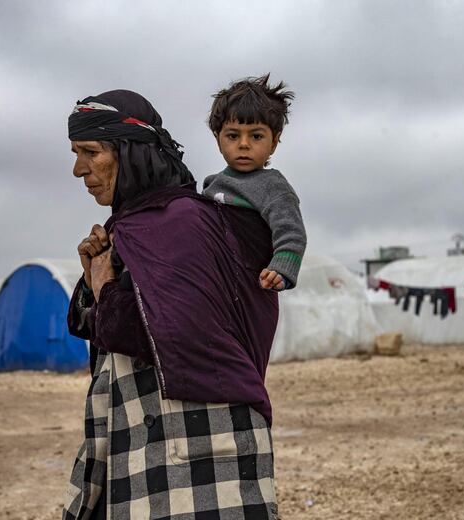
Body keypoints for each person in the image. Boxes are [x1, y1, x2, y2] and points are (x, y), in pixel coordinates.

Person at [62, 89, 281, 519]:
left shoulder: (177, 221)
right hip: (148, 429)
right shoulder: (142, 223)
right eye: (76, 153)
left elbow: (168, 331)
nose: (77, 169)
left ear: (128, 152)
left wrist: (106, 287)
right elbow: (107, 325)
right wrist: (95, 280)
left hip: (196, 438)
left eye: (90, 151)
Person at [202, 74, 306, 292]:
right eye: (232, 136)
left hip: (251, 289)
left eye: (256, 136)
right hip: (214, 284)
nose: (244, 145)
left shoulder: (273, 187)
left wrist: (280, 272)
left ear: (274, 142)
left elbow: (292, 234)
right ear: (217, 139)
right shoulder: (211, 185)